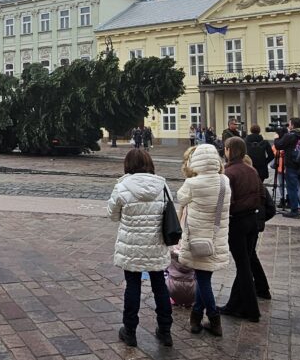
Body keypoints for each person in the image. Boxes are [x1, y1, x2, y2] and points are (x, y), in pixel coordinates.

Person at [107, 149, 173, 348]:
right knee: (159, 286)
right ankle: (165, 331)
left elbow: (112, 215)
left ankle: (130, 331)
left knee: (132, 286)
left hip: (132, 245)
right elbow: (170, 210)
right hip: (156, 244)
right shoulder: (162, 185)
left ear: (128, 165)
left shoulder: (122, 186)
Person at [176, 144, 231, 337]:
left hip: (197, 240)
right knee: (204, 277)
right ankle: (196, 317)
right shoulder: (224, 181)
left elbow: (180, 198)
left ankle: (214, 319)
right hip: (216, 239)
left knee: (202, 279)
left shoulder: (192, 184)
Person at [220, 137, 268, 323]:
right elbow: (262, 195)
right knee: (245, 263)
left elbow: (225, 203)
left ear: (231, 150)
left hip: (237, 222)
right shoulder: (251, 170)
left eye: (225, 149)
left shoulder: (228, 173)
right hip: (252, 221)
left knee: (243, 265)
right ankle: (234, 304)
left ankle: (251, 309)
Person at [276, 118, 300, 218]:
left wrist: (277, 137)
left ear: (292, 125)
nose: (288, 126)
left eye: (289, 124)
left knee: (292, 188)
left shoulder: (290, 135)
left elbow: (279, 145)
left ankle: (294, 210)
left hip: (292, 164)